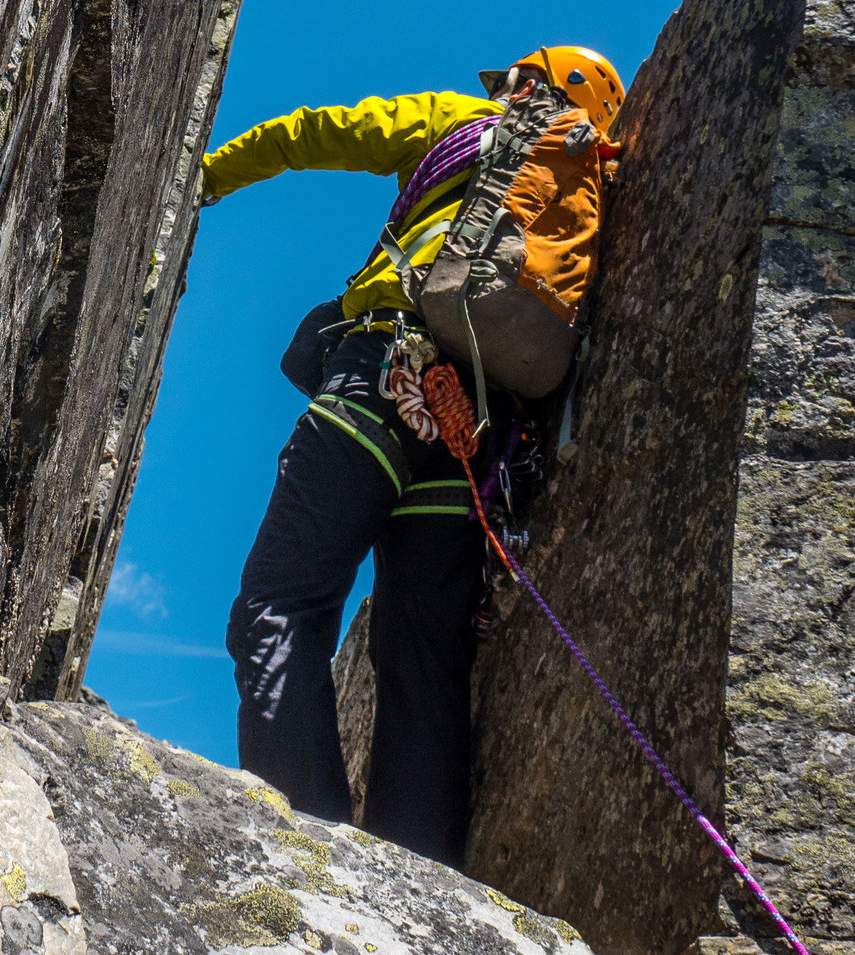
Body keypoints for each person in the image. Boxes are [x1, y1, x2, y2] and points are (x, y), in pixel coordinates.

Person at [197, 45, 624, 865]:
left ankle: (309, 860)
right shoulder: (585, 195)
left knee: (280, 605)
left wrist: (206, 176)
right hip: (478, 440)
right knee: (426, 663)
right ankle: (415, 887)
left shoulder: (466, 122)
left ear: (527, 83)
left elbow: (315, 131)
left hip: (385, 375)